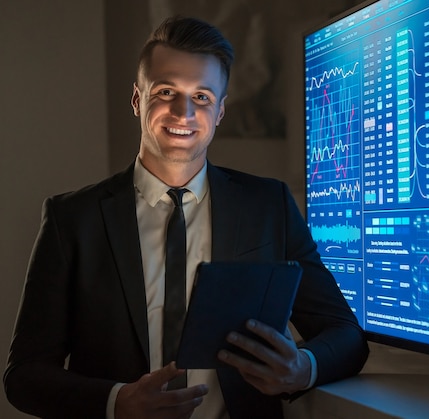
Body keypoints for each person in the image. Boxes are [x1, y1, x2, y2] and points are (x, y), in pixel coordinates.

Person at [3, 16, 369, 419]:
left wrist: (302, 369)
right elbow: (24, 375)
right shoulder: (71, 220)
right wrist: (116, 402)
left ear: (221, 111)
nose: (184, 112)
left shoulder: (269, 205)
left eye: (202, 97)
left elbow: (346, 335)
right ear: (137, 100)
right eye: (166, 92)